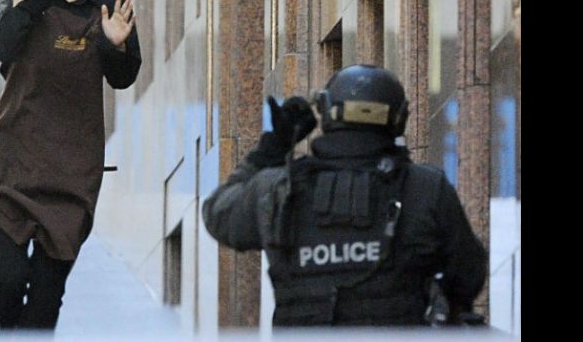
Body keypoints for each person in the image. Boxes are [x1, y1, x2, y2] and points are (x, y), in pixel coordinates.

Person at [202, 64, 486, 327]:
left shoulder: (276, 187)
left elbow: (218, 214)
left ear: (325, 112)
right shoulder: (425, 187)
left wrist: (274, 146)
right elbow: (468, 271)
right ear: (398, 119)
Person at [0, 0, 141, 331]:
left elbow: (123, 78)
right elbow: (0, 47)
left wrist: (115, 43)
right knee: (9, 282)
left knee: (47, 299)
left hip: (73, 173)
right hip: (12, 164)